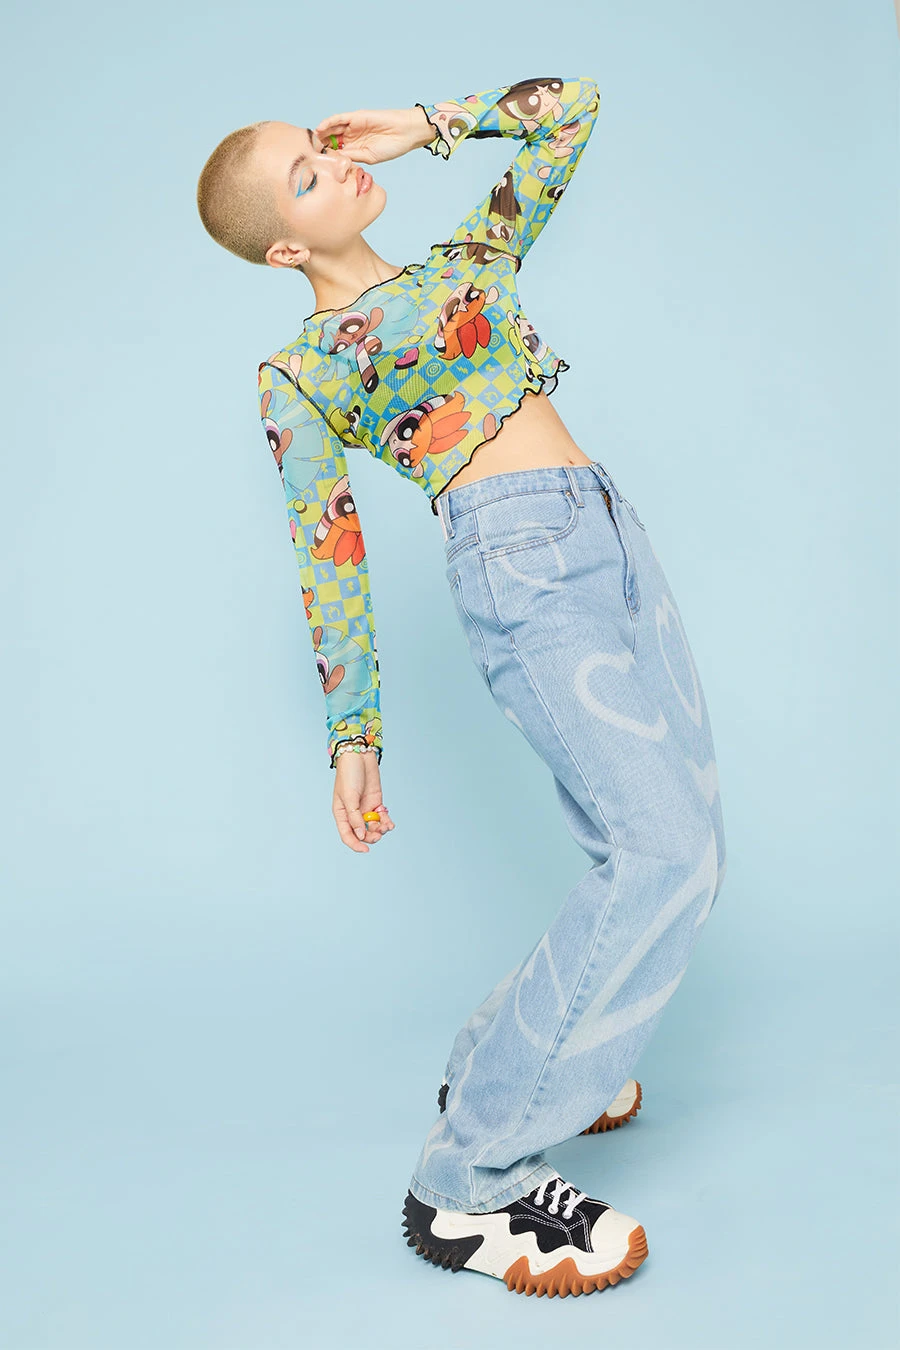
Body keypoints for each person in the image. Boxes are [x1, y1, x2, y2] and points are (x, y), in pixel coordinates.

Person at [197, 75, 728, 1300]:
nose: (338, 164)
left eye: (321, 145)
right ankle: (469, 1180)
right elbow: (327, 551)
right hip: (518, 564)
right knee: (663, 853)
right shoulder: (301, 372)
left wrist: (421, 126)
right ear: (284, 248)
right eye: (308, 176)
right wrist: (355, 732)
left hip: (610, 535)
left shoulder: (466, 259)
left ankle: (520, 1057)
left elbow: (573, 108)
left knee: (677, 839)